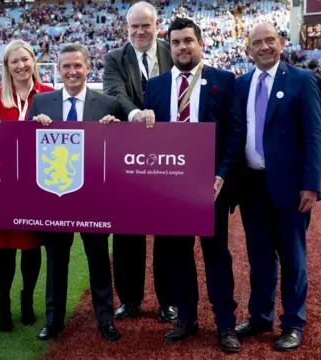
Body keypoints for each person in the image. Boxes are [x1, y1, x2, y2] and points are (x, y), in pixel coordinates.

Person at [133, 17, 245, 353]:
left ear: (200, 43)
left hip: (211, 186)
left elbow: (235, 132)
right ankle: (186, 317)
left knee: (216, 255)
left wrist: (222, 173)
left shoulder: (224, 81)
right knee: (177, 255)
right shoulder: (154, 86)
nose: (183, 47)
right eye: (177, 42)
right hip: (172, 189)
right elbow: (146, 141)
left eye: (188, 41)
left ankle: (225, 323)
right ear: (171, 46)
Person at [233, 22, 321, 352]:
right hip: (251, 187)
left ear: (281, 43)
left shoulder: (302, 80)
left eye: (270, 40)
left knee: (293, 258)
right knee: (259, 258)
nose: (264, 47)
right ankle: (260, 316)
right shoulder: (241, 84)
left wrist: (311, 185)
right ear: (249, 49)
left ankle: (293, 322)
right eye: (257, 42)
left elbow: (314, 137)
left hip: (290, 187)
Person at [28, 43, 124, 342]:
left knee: (98, 260)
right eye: (66, 66)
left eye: (77, 66)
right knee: (56, 262)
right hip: (55, 196)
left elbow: (117, 151)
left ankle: (105, 318)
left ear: (87, 68)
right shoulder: (41, 102)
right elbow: (28, 148)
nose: (72, 71)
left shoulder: (107, 104)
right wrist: (32, 127)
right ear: (59, 69)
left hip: (93, 198)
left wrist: (116, 127)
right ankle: (54, 320)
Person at [102, 0, 177, 323]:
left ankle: (168, 300)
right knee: (127, 231)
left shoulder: (173, 49)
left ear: (156, 25)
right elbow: (115, 94)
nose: (139, 31)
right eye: (134, 26)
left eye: (145, 25)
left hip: (170, 153)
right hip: (129, 155)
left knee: (168, 231)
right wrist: (135, 115)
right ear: (127, 28)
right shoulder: (114, 58)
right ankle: (130, 299)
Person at [0, 39, 54, 331]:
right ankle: (4, 304)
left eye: (25, 59)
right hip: (3, 183)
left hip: (36, 183)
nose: (21, 66)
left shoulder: (48, 94)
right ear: (7, 66)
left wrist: (49, 124)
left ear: (34, 61)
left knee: (32, 246)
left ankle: (27, 301)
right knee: (5, 246)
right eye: (14, 61)